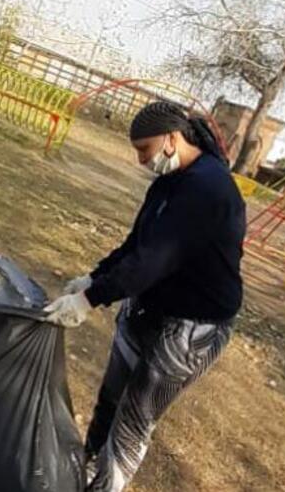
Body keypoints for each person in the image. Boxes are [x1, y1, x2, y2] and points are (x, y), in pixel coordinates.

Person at [44, 102, 246, 492]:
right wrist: (94, 277)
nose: (141, 160)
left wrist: (90, 300)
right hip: (149, 307)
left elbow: (155, 260)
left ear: (172, 139)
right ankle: (81, 474)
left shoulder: (209, 189)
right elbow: (137, 245)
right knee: (109, 401)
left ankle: (103, 488)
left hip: (192, 327)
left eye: (145, 149)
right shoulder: (168, 183)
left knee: (133, 419)